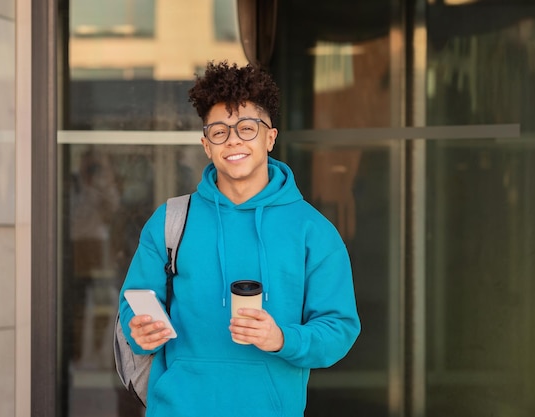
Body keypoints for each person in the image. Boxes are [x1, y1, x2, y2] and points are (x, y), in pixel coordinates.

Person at [118, 61, 360, 417]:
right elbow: (133, 303)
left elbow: (339, 328)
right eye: (219, 131)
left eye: (247, 128)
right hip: (178, 408)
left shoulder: (312, 230)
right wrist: (138, 328)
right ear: (205, 145)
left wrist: (281, 339)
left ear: (270, 137)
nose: (233, 140)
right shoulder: (171, 221)